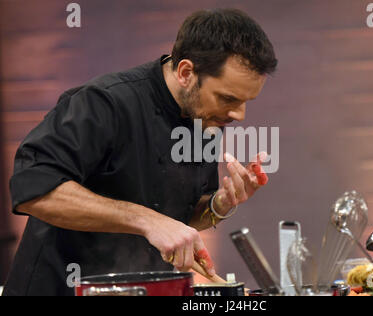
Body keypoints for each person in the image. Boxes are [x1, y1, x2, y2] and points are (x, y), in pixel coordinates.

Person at [2, 8, 277, 296]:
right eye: (228, 98)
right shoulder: (106, 102)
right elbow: (33, 189)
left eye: (246, 101)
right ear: (186, 73)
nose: (239, 114)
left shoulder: (204, 119)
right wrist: (146, 220)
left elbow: (176, 217)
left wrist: (218, 205)